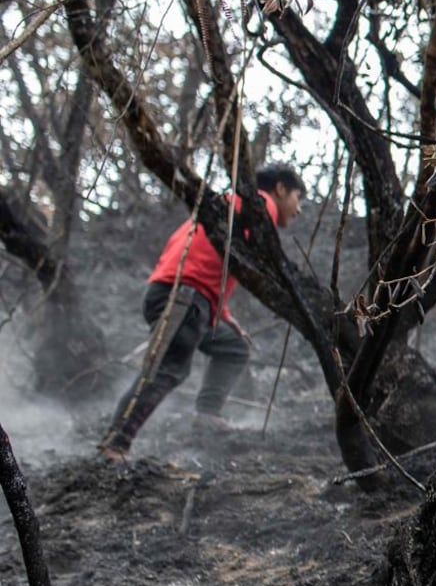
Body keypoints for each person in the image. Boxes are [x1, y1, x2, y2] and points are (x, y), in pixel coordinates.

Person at [99, 167, 306, 459]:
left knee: (233, 346)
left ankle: (206, 414)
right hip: (184, 296)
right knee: (168, 368)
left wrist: (222, 312)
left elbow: (208, 258)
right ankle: (115, 443)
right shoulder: (260, 206)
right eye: (299, 198)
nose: (298, 210)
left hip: (186, 296)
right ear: (281, 189)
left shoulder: (230, 206)